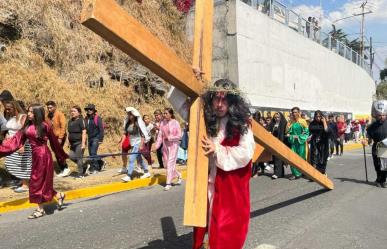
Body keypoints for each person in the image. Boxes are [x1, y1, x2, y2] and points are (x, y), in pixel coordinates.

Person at [192, 79, 255, 249]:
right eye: (216, 99)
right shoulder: (206, 120)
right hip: (209, 184)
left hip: (231, 188)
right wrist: (191, 79)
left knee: (225, 229)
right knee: (203, 223)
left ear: (232, 102)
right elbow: (182, 105)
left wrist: (217, 150)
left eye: (224, 100)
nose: (219, 104)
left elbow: (245, 153)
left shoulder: (243, 124)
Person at [0, 104, 67, 219]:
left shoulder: (45, 126)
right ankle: (59, 195)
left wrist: (63, 155)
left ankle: (40, 210)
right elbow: (14, 142)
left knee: (36, 181)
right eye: (28, 111)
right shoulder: (26, 126)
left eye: (31, 112)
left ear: (37, 113)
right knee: (41, 182)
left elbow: (54, 143)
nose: (29, 114)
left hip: (44, 156)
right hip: (35, 156)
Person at [3, 100, 32, 192]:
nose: (7, 111)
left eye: (9, 109)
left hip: (21, 144)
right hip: (12, 144)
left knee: (22, 164)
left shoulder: (23, 117)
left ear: (15, 108)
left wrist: (22, 145)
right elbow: (10, 130)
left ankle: (25, 185)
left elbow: (26, 132)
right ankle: (24, 181)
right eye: (6, 109)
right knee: (10, 163)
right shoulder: (11, 117)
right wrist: (7, 135)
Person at [152, 108, 182, 190]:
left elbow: (179, 136)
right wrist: (156, 146)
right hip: (165, 147)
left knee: (170, 164)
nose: (164, 115)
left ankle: (168, 183)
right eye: (164, 113)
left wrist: (170, 138)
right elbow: (160, 137)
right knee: (167, 165)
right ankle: (179, 175)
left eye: (166, 113)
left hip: (174, 146)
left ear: (171, 114)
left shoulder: (176, 123)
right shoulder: (162, 123)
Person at [120, 107, 151, 182]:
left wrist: (141, 145)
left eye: (130, 114)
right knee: (139, 158)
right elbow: (125, 133)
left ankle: (129, 175)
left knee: (131, 158)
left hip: (138, 142)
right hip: (132, 143)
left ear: (134, 115)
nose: (129, 115)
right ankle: (146, 172)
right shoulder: (127, 123)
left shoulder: (138, 123)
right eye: (128, 114)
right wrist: (121, 142)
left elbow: (143, 134)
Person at [366, 100, 387, 188]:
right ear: (376, 115)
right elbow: (369, 139)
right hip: (376, 146)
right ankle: (379, 178)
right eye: (380, 115)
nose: (382, 117)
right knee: (377, 164)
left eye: (383, 115)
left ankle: (383, 181)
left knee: (384, 165)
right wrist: (366, 141)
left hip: (385, 146)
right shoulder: (371, 126)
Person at [46, 100, 69, 176]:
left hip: (59, 136)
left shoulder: (60, 114)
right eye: (48, 108)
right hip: (52, 137)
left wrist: (60, 138)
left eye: (51, 107)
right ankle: (62, 169)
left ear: (55, 107)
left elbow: (63, 126)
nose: (49, 109)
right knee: (56, 153)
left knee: (59, 152)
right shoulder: (48, 116)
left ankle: (66, 168)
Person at [287, 107, 309, 180]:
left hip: (301, 143)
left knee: (301, 158)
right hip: (294, 143)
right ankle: (295, 173)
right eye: (293, 112)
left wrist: (299, 137)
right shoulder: (291, 122)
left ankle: (302, 172)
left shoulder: (303, 121)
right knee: (292, 158)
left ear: (299, 113)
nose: (294, 114)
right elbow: (288, 133)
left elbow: (306, 132)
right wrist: (291, 136)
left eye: (296, 112)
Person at [67, 105, 87, 178]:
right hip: (72, 144)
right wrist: (68, 142)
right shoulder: (70, 121)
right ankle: (84, 166)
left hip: (79, 142)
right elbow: (69, 132)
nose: (72, 112)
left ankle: (81, 174)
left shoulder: (81, 120)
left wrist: (83, 143)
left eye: (74, 111)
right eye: (71, 111)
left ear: (79, 112)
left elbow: (84, 132)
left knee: (79, 158)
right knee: (71, 156)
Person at [84, 104, 104, 173]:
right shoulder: (86, 118)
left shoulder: (97, 118)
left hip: (96, 138)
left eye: (90, 109)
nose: (89, 110)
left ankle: (96, 168)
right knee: (91, 153)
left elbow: (101, 129)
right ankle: (100, 162)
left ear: (93, 110)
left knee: (93, 152)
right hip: (90, 138)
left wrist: (100, 139)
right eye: (88, 109)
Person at [309, 111, 330, 175]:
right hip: (315, 143)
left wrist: (324, 122)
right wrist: (322, 128)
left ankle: (322, 172)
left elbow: (327, 131)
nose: (318, 118)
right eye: (316, 116)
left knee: (323, 158)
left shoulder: (324, 123)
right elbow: (312, 129)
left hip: (323, 143)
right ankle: (314, 173)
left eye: (319, 116)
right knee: (314, 157)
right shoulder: (312, 123)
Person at [267, 112, 287, 179]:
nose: (276, 119)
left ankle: (277, 173)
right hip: (274, 143)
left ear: (281, 117)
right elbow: (268, 130)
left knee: (279, 158)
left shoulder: (283, 124)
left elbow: (285, 133)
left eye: (278, 117)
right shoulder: (272, 124)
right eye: (275, 117)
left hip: (281, 143)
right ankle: (279, 173)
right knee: (275, 158)